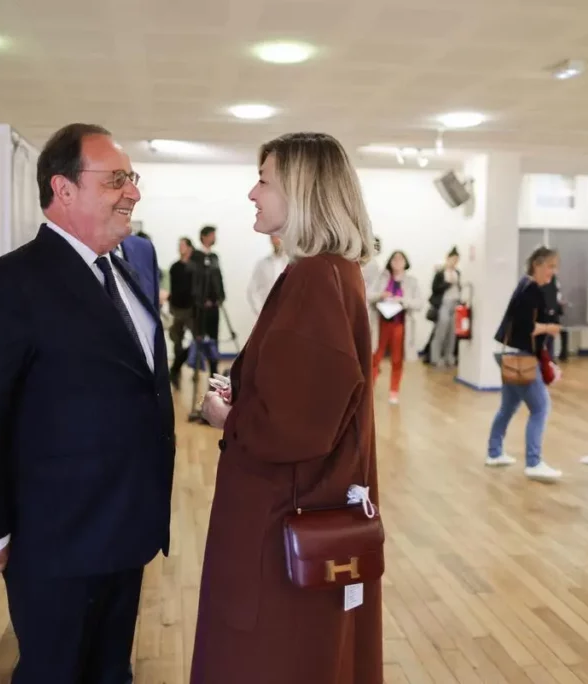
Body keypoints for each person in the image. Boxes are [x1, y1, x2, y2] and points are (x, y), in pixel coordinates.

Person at [0, 123, 176, 684]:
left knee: (110, 670)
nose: (134, 192)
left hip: (126, 526)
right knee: (55, 671)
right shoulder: (11, 283)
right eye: (117, 179)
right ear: (64, 189)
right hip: (57, 535)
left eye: (133, 178)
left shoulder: (125, 270)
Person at [191, 132, 383, 684]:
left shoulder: (316, 277)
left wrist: (227, 416)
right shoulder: (327, 273)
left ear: (302, 192)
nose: (253, 193)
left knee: (268, 656)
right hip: (296, 505)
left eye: (265, 180)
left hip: (283, 516)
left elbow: (294, 427)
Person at [485, 246, 563, 482]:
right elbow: (528, 327)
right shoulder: (532, 291)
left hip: (508, 354)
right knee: (540, 408)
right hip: (521, 357)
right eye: (550, 266)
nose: (552, 272)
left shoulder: (524, 285)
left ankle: (494, 452)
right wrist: (550, 328)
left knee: (508, 406)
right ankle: (534, 462)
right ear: (537, 265)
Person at [368, 250, 423, 403]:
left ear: (406, 263)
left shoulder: (412, 281)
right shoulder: (382, 278)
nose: (397, 262)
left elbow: (418, 303)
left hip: (399, 324)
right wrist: (381, 295)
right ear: (390, 262)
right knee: (375, 357)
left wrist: (403, 300)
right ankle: (369, 389)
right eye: (394, 259)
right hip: (381, 323)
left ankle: (394, 391)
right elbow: (368, 294)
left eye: (400, 260)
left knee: (397, 359)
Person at [191, 225, 225, 376]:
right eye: (212, 235)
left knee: (213, 338)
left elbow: (219, 278)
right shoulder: (196, 257)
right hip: (200, 307)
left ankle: (214, 370)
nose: (214, 238)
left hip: (214, 306)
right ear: (204, 237)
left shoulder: (214, 257)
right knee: (199, 338)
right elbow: (195, 281)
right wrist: (200, 300)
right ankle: (192, 369)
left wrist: (221, 297)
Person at [168, 237, 197, 388]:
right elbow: (172, 289)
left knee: (196, 340)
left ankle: (182, 368)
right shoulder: (175, 267)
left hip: (191, 310)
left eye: (183, 245)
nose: (180, 248)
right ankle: (175, 372)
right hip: (178, 309)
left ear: (190, 248)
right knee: (177, 340)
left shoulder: (194, 267)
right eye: (179, 245)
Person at [428, 247, 461, 367]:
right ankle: (436, 357)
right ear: (448, 258)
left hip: (455, 303)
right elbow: (435, 289)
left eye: (457, 259)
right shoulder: (440, 273)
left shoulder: (457, 273)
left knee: (452, 332)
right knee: (441, 331)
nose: (454, 262)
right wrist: (448, 283)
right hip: (444, 304)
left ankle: (449, 356)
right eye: (453, 259)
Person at [246, 234, 289, 315]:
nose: (277, 240)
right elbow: (252, 290)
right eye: (274, 237)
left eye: (279, 237)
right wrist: (260, 312)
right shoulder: (262, 264)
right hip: (269, 315)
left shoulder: (294, 263)